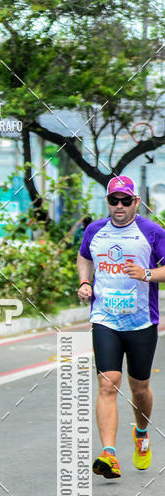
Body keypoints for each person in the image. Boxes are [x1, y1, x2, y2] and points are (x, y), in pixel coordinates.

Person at [78, 175, 165, 479]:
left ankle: (141, 432)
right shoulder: (95, 230)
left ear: (136, 202)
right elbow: (84, 257)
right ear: (108, 202)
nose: (119, 206)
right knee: (107, 383)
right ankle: (109, 454)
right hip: (105, 319)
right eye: (113, 200)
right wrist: (85, 282)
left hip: (141, 321)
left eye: (125, 200)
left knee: (139, 388)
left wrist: (147, 274)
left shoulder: (152, 232)